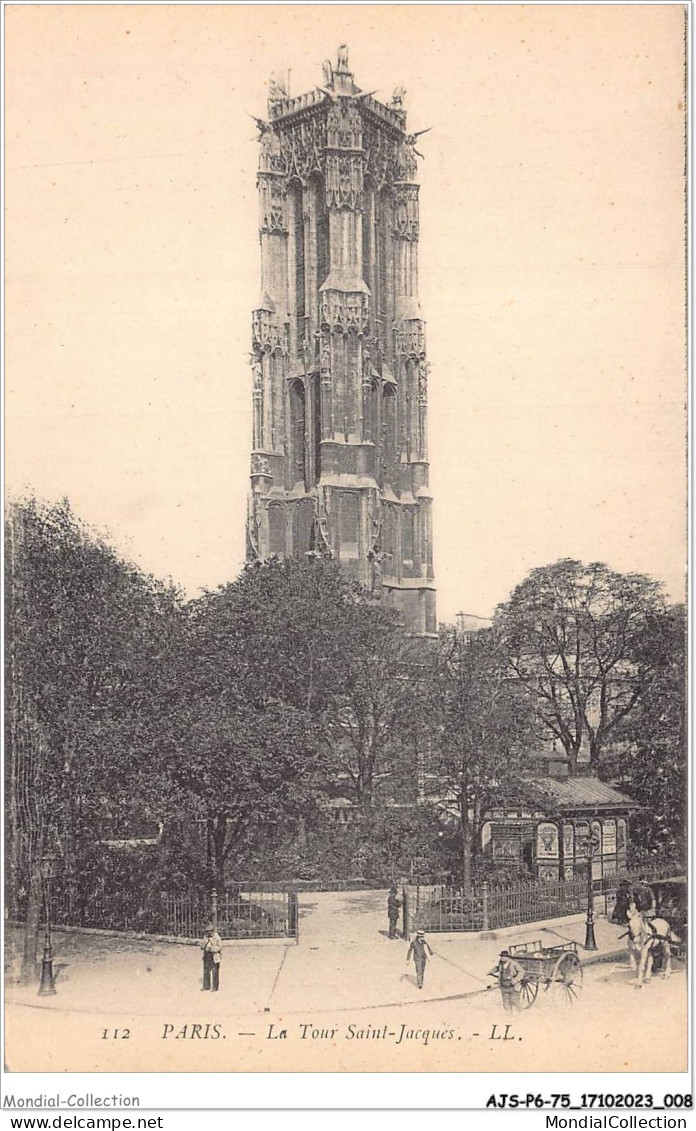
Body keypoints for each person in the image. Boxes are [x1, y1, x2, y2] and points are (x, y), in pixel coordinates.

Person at [199, 923, 222, 991]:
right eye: (206, 931)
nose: (208, 933)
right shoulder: (205, 937)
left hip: (214, 956)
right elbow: (201, 946)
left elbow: (220, 947)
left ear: (212, 931)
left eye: (209, 931)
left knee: (215, 972)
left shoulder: (217, 937)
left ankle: (215, 987)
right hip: (207, 955)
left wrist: (212, 948)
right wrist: (203, 944)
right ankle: (206, 986)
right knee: (206, 971)